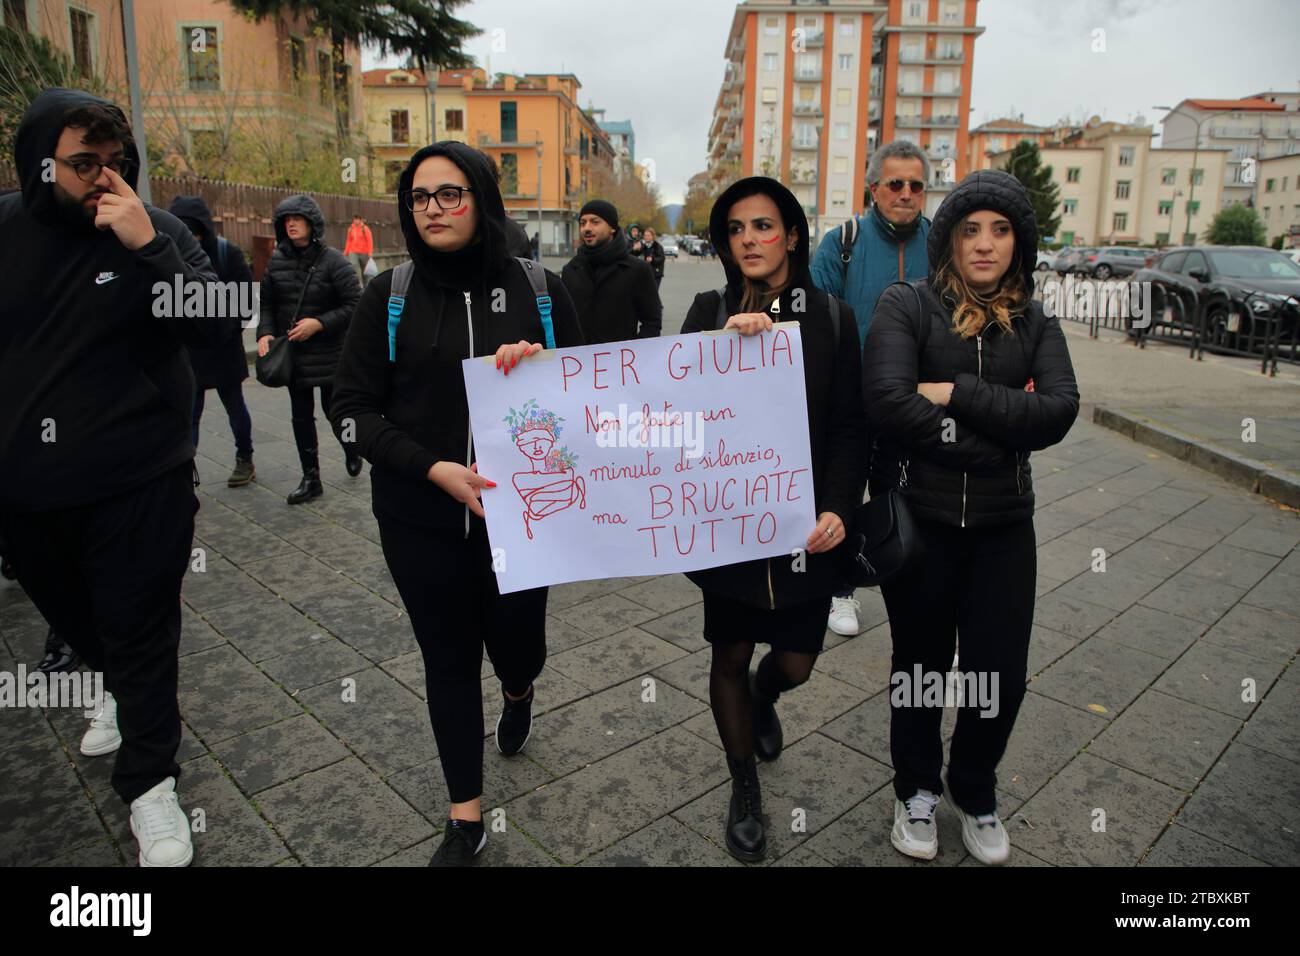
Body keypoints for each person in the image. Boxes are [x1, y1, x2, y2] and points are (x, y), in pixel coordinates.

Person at [329, 141, 584, 867]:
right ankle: (465, 817)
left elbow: (597, 392)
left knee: (517, 644)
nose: (433, 209)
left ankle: (519, 687)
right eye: (419, 197)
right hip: (419, 517)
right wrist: (430, 467)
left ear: (481, 199)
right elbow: (350, 410)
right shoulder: (390, 294)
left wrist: (545, 368)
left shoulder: (539, 287)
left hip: (523, 518)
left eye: (450, 194)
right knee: (446, 658)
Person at [0, 89, 228, 867]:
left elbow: (216, 325)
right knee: (81, 620)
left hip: (141, 480)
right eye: (82, 164)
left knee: (141, 631)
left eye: (115, 163)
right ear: (41, 162)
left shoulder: (152, 228)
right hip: (27, 492)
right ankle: (114, 685)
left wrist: (150, 247)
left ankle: (151, 786)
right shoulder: (4, 232)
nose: (102, 178)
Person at [862, 169, 1079, 865]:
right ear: (949, 238)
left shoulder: (1038, 321)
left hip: (1004, 529)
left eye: (1002, 229)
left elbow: (1058, 411)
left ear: (1021, 241)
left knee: (999, 674)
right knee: (920, 667)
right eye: (970, 229)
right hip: (922, 522)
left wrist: (955, 391)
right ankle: (917, 790)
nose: (985, 244)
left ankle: (974, 787)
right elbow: (890, 401)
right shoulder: (909, 306)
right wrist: (995, 437)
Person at [681, 177, 866, 863]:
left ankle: (767, 696)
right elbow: (676, 418)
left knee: (796, 661)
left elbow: (852, 427)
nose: (749, 240)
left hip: (804, 533)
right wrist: (722, 353)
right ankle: (743, 785)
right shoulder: (706, 311)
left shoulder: (832, 318)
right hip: (727, 529)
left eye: (763, 226)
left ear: (790, 235)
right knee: (727, 653)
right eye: (735, 229)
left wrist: (840, 507)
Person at [813, 140, 933, 639]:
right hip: (853, 399)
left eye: (916, 185)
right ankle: (841, 592)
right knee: (844, 494)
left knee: (919, 502)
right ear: (873, 188)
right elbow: (815, 318)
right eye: (895, 183)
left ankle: (923, 604)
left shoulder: (944, 241)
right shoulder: (842, 241)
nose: (905, 193)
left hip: (921, 400)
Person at [256, 195, 362, 503]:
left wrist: (319, 323)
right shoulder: (277, 261)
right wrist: (265, 333)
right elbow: (267, 304)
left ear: (312, 224)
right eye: (286, 220)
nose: (291, 224)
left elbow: (355, 305)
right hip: (295, 356)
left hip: (330, 354)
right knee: (300, 416)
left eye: (297, 219)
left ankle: (351, 447)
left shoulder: (334, 261)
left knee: (335, 411)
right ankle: (311, 478)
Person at [169, 195, 256, 487]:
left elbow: (245, 303)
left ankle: (245, 458)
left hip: (224, 349)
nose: (191, 237)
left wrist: (221, 328)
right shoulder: (169, 253)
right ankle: (185, 466)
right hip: (190, 353)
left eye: (195, 231)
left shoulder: (226, 253)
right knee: (188, 414)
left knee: (235, 407)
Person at [560, 200, 661, 344]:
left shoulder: (637, 269)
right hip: (580, 363)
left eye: (595, 222)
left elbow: (652, 320)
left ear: (612, 227)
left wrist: (638, 353)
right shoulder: (570, 270)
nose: (586, 228)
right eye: (583, 223)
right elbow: (564, 320)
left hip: (622, 362)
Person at [343, 214, 374, 283]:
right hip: (353, 252)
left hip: (364, 252)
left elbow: (369, 240)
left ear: (360, 220)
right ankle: (356, 284)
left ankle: (366, 286)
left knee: (365, 271)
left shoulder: (365, 229)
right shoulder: (351, 229)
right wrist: (346, 251)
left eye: (357, 219)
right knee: (353, 267)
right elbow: (349, 240)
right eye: (354, 219)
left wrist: (370, 252)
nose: (355, 221)